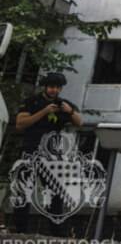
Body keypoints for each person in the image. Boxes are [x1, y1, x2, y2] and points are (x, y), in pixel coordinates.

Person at [13, 72, 82, 234]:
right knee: (24, 190)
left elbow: (80, 122)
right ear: (45, 86)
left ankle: (57, 232)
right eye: (51, 87)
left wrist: (70, 112)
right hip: (30, 149)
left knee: (56, 192)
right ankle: (21, 230)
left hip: (51, 155)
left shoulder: (63, 104)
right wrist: (43, 112)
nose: (54, 90)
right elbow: (20, 124)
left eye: (57, 87)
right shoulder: (32, 101)